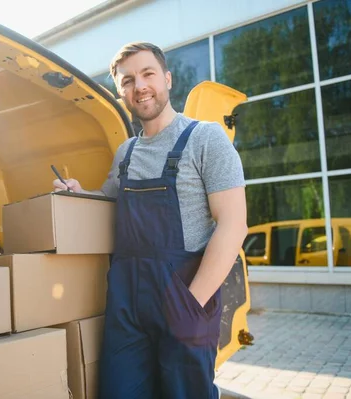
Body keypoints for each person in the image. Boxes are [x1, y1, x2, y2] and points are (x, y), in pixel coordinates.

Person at [53, 42, 247, 399]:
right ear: (120, 91)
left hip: (183, 294)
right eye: (128, 80)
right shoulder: (125, 153)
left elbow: (234, 224)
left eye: (147, 74)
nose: (139, 86)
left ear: (167, 79)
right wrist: (80, 192)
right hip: (127, 305)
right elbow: (110, 200)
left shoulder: (205, 139)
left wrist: (191, 304)